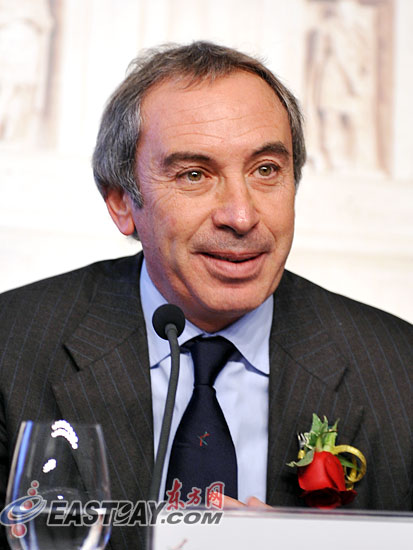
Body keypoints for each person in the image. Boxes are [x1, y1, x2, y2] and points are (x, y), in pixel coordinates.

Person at [0, 42, 411, 550]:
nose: (241, 216)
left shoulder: (399, 370)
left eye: (266, 170)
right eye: (194, 175)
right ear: (122, 202)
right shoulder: (11, 348)